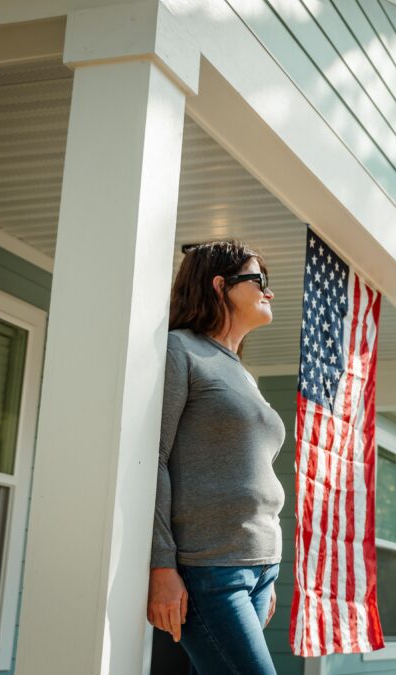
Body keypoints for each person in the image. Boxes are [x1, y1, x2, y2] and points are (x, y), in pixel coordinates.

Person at [147, 240, 286, 675]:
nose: (270, 292)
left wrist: (268, 570)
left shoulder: (241, 372)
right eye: (258, 280)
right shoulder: (180, 350)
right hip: (210, 569)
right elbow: (154, 459)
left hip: (260, 567)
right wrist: (161, 564)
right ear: (220, 285)